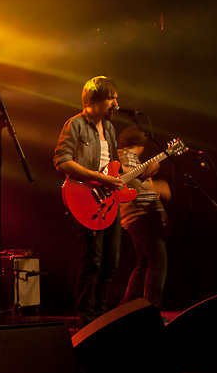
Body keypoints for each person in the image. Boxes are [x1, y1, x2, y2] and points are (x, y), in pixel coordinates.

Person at [54, 75, 124, 326]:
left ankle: (101, 317)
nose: (116, 104)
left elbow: (114, 166)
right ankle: (87, 320)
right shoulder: (75, 124)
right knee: (92, 261)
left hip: (108, 201)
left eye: (116, 98)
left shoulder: (110, 128)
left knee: (110, 262)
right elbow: (62, 161)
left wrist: (137, 174)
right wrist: (99, 178)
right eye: (110, 98)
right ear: (92, 101)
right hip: (85, 199)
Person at [116, 125, 169, 310]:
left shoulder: (127, 159)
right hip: (140, 217)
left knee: (144, 264)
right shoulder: (127, 158)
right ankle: (151, 310)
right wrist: (157, 187)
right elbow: (134, 188)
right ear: (139, 144)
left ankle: (126, 307)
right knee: (157, 264)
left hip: (133, 218)